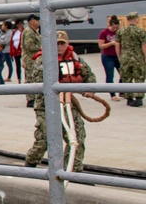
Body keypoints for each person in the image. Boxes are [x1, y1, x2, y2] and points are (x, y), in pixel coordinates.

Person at [25, 30, 96, 172]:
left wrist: (89, 88)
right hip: (46, 105)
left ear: (67, 44)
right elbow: (37, 81)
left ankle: (73, 171)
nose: (59, 46)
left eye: (62, 43)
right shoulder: (42, 60)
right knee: (45, 138)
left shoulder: (75, 58)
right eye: (56, 43)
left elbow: (89, 76)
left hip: (69, 104)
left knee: (76, 137)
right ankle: (31, 163)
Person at [116, 11, 146, 107]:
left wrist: (119, 56)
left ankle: (129, 98)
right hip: (138, 58)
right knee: (139, 77)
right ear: (136, 19)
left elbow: (117, 45)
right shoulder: (141, 31)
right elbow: (144, 46)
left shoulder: (120, 31)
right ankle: (138, 98)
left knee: (126, 77)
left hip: (125, 57)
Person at [98, 16, 121, 99]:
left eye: (117, 28)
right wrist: (111, 43)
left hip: (117, 56)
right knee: (110, 75)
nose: (115, 29)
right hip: (107, 56)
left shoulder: (119, 32)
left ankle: (122, 91)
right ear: (110, 25)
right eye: (113, 28)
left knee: (123, 73)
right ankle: (112, 94)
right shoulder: (104, 32)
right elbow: (101, 46)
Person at [21, 15, 40, 106]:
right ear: (31, 21)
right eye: (37, 20)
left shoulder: (33, 31)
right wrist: (42, 47)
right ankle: (31, 99)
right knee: (30, 80)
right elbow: (29, 46)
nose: (39, 22)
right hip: (30, 60)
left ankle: (33, 98)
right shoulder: (29, 32)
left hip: (34, 60)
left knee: (34, 79)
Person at [0, 20, 12, 85]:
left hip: (7, 50)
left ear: (6, 26)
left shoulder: (9, 33)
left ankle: (9, 77)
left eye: (3, 25)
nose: (2, 26)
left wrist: (0, 40)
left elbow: (6, 41)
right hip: (1, 50)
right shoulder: (2, 33)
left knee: (8, 63)